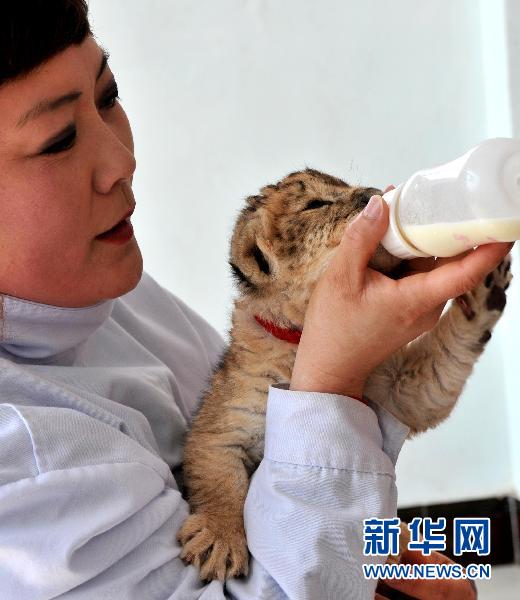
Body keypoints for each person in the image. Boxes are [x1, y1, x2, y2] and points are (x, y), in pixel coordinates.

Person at [0, 2, 507, 598]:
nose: (123, 162)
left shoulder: (108, 292)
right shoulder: (18, 458)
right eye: (59, 139)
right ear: (261, 264)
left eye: (108, 95)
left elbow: (299, 484)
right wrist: (330, 380)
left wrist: (373, 565)